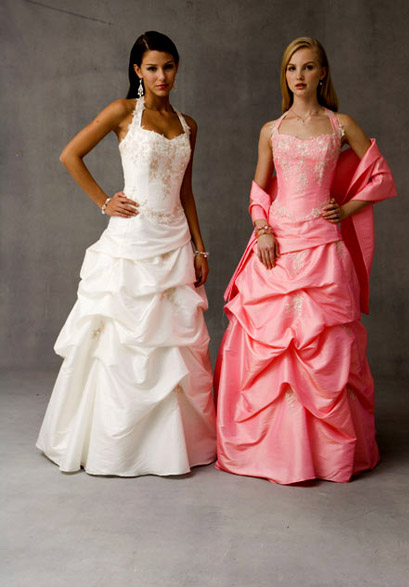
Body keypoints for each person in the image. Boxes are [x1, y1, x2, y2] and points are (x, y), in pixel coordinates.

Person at [214, 37, 397, 485]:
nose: (298, 76)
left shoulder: (340, 125)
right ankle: (271, 451)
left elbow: (380, 175)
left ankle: (323, 454)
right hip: (277, 245)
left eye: (308, 67)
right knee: (269, 344)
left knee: (323, 345)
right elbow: (258, 192)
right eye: (291, 68)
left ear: (322, 73)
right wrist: (262, 229)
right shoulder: (271, 130)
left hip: (322, 247)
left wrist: (347, 209)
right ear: (285, 75)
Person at [36, 31, 216, 476]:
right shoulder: (122, 112)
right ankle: (111, 446)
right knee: (121, 342)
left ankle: (169, 447)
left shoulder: (188, 124)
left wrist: (200, 246)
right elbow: (70, 155)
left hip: (174, 241)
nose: (161, 76)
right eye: (152, 68)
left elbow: (186, 191)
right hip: (133, 240)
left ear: (177, 67)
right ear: (137, 70)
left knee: (170, 344)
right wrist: (104, 201)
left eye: (168, 66)